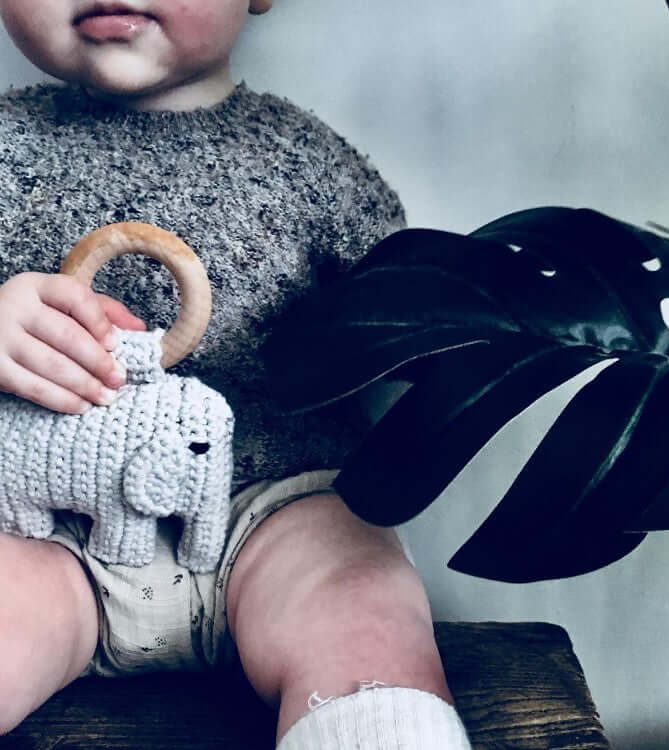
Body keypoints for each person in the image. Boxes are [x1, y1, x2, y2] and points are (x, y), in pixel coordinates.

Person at [0, 1, 472, 747]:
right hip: (44, 535)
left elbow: (406, 333)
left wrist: (451, 337)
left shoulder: (309, 163)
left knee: (363, 611)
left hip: (278, 516)